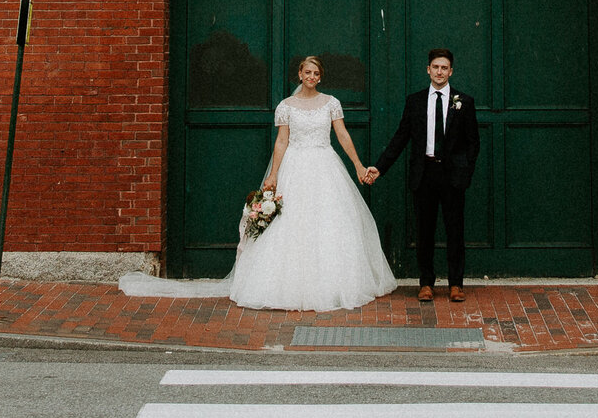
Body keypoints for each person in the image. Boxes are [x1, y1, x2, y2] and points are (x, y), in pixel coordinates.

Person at [117, 55, 396, 312]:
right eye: (307, 72)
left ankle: (332, 284)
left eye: (316, 73)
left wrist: (359, 165)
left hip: (325, 165)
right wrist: (273, 174)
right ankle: (289, 286)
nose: (311, 76)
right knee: (291, 224)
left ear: (320, 77)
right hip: (295, 166)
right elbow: (282, 141)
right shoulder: (286, 107)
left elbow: (343, 135)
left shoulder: (331, 103)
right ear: (299, 74)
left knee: (328, 223)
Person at [368, 47, 480, 302]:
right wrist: (380, 167)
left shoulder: (464, 101)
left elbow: (473, 142)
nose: (439, 72)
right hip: (424, 173)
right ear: (428, 69)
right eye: (435, 67)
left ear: (451, 71)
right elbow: (401, 137)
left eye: (444, 68)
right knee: (424, 231)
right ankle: (426, 283)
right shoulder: (415, 101)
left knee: (455, 230)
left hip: (452, 175)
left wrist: (465, 171)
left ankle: (456, 284)